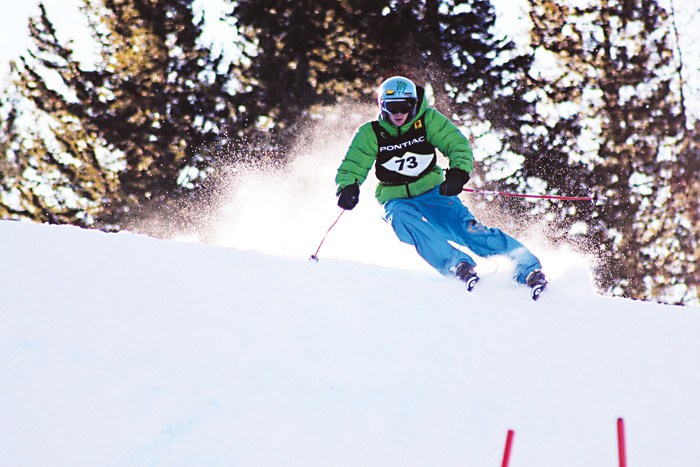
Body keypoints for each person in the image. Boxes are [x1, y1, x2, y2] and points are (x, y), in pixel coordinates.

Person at [334, 76, 548, 299]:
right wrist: (347, 187)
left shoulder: (427, 120)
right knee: (399, 217)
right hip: (396, 197)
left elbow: (456, 144)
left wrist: (457, 173)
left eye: (404, 106)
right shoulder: (371, 133)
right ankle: (457, 264)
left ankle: (526, 267)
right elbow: (353, 164)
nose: (399, 113)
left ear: (414, 104)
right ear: (382, 106)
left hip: (433, 191)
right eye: (392, 107)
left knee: (466, 228)